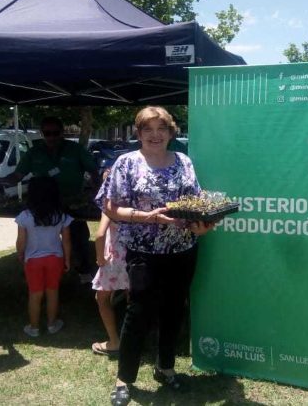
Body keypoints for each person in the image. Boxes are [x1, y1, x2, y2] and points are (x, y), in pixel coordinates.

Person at [95, 106, 215, 406]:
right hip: (144, 252)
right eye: (147, 129)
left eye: (161, 128)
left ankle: (165, 367)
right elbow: (110, 207)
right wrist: (149, 217)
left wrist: (202, 225)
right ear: (138, 133)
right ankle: (124, 377)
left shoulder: (183, 162)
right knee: (139, 313)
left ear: (170, 132)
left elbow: (195, 202)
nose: (155, 135)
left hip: (182, 249)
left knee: (174, 310)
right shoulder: (126, 163)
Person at [0, 117, 98, 283]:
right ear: (42, 133)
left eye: (55, 133)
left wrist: (96, 191)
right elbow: (17, 175)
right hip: (43, 205)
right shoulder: (34, 152)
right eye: (47, 133)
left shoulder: (76, 149)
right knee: (41, 239)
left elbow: (93, 172)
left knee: (78, 237)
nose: (51, 137)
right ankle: (40, 268)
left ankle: (84, 270)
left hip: (72, 202)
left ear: (62, 132)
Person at [15, 177, 73, 337]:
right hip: (55, 259)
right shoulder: (61, 215)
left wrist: (20, 254)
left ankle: (33, 327)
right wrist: (67, 259)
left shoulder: (24, 216)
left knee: (35, 293)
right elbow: (67, 241)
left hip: (33, 260)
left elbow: (21, 241)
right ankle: (52, 324)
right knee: (52, 292)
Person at [91, 172, 129, 356]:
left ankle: (114, 341)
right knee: (133, 299)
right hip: (134, 257)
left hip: (114, 260)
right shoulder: (133, 202)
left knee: (102, 299)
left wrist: (99, 258)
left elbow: (99, 235)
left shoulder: (109, 206)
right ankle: (134, 339)